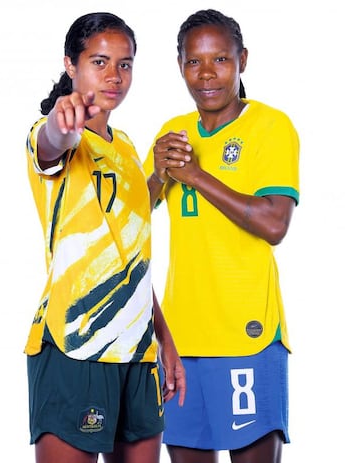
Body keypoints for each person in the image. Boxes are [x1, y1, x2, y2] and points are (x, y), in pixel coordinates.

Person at [24, 12, 185, 463]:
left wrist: (164, 338)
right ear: (70, 65)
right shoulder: (50, 133)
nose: (115, 76)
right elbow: (52, 143)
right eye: (100, 61)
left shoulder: (128, 147)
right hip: (77, 345)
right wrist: (63, 124)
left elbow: (130, 251)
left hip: (137, 353)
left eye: (125, 64)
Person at [144, 8, 300, 463]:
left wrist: (196, 176)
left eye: (220, 60)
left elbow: (275, 225)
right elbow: (131, 221)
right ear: (180, 66)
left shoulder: (270, 126)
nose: (207, 74)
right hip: (181, 342)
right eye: (194, 61)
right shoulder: (171, 135)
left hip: (245, 335)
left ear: (242, 60)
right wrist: (157, 175)